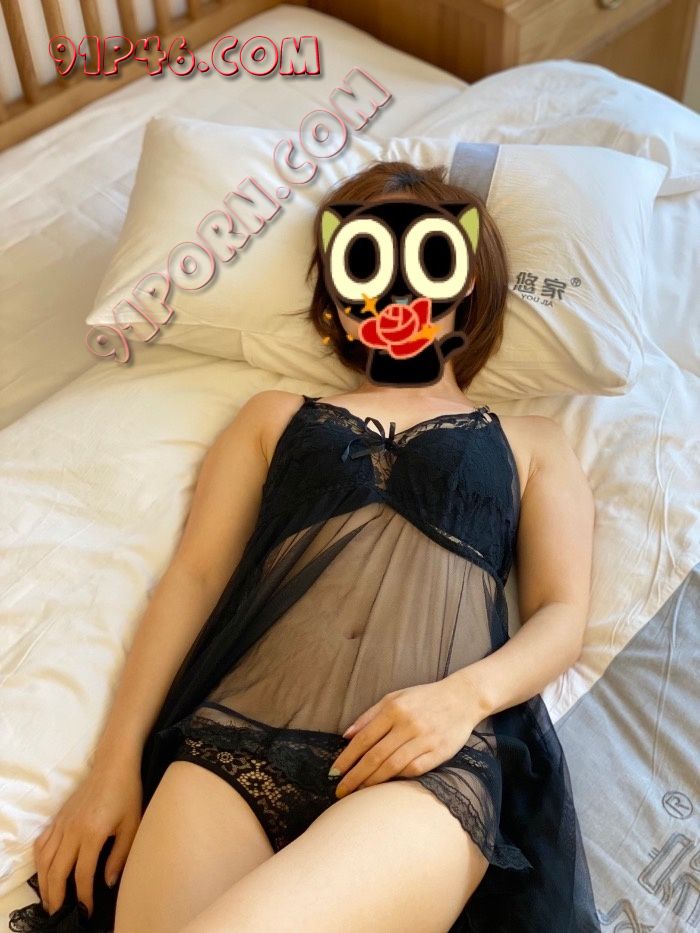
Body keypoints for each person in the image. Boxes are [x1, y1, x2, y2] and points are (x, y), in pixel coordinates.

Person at [10, 161, 600, 933]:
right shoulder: (273, 415)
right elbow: (192, 580)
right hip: (230, 748)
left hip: (423, 763)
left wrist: (466, 698)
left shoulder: (531, 441)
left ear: (468, 286)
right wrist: (112, 767)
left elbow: (562, 613)